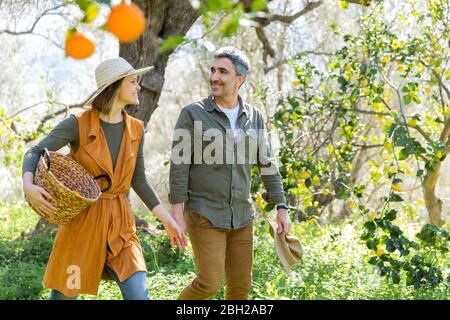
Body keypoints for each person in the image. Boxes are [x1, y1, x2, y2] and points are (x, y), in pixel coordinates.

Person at [22, 57, 187, 300]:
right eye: (132, 82)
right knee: (65, 295)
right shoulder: (77, 124)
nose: (138, 87)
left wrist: (168, 220)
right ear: (115, 86)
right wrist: (28, 185)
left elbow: (138, 179)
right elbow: (35, 151)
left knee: (138, 294)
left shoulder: (136, 129)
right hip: (81, 226)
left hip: (120, 225)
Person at [169, 47, 291, 300]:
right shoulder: (192, 114)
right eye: (213, 70)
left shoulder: (254, 116)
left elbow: (268, 164)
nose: (214, 77)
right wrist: (177, 214)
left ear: (239, 79)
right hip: (204, 214)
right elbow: (179, 165)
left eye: (222, 71)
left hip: (242, 217)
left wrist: (281, 206)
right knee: (208, 283)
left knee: (240, 288)